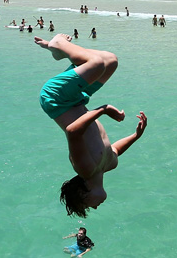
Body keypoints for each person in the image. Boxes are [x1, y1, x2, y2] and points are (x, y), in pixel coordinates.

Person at [35, 34, 148, 218]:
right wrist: (136, 136)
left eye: (87, 206)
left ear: (82, 194)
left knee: (96, 64)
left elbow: (73, 131)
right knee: (110, 61)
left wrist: (103, 109)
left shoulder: (84, 168)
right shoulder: (109, 165)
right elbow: (115, 150)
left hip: (56, 99)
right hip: (77, 100)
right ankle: (57, 49)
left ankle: (59, 44)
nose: (94, 208)